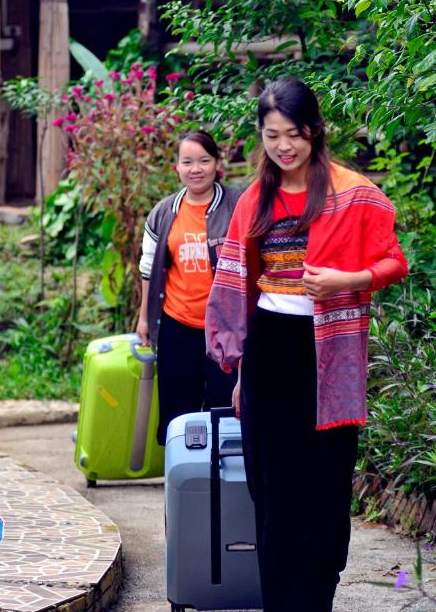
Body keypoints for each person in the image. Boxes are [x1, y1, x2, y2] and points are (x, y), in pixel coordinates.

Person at [205, 77, 408, 612]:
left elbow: (395, 262)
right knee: (270, 490)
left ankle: (317, 599)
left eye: (293, 134)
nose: (283, 146)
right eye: (272, 135)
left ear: (315, 132)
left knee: (322, 486)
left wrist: (345, 281)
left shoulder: (354, 191)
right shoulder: (255, 199)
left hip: (327, 355)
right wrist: (243, 374)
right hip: (271, 352)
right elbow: (242, 290)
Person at [137, 129, 241, 445]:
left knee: (225, 407)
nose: (196, 169)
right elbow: (147, 267)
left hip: (224, 330)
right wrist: (144, 318)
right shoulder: (163, 212)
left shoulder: (237, 205)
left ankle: (222, 483)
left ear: (217, 163)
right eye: (188, 162)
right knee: (177, 409)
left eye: (204, 161)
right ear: (177, 168)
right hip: (178, 326)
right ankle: (180, 480)